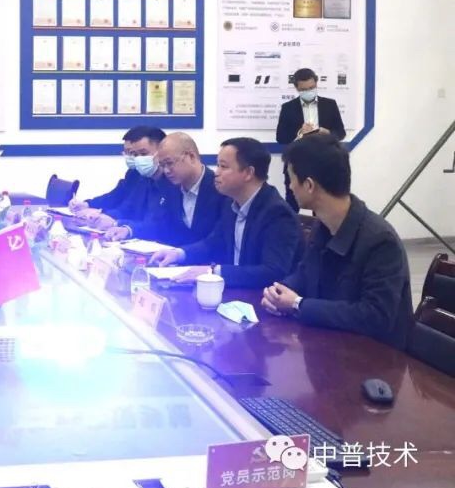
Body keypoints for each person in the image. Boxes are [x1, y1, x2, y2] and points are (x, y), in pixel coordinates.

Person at [261, 134, 413, 349]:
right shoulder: (323, 227)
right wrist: (279, 292)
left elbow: (375, 316)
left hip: (374, 357)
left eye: (291, 178)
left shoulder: (380, 241)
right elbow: (305, 273)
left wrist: (297, 304)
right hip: (328, 346)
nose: (290, 187)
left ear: (309, 185)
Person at [149, 138, 302, 288]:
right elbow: (214, 243)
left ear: (248, 173)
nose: (216, 173)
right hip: (233, 290)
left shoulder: (276, 212)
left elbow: (272, 272)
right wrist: (179, 254)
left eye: (223, 166)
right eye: (217, 166)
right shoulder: (232, 203)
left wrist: (214, 272)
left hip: (260, 296)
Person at [107, 132, 221, 246]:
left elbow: (217, 240)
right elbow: (159, 224)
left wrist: (182, 253)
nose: (166, 171)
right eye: (162, 165)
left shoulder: (219, 189)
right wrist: (128, 230)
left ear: (191, 157)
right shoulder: (170, 186)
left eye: (169, 163)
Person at [275, 68, 346, 211]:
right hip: (296, 162)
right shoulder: (288, 108)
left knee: (323, 202)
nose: (308, 91)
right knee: (292, 204)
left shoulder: (330, 105)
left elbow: (340, 132)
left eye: (311, 88)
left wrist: (328, 133)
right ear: (297, 88)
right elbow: (280, 137)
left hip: (324, 161)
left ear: (316, 84)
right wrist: (299, 133)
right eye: (304, 89)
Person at [69, 126, 167, 229]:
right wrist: (94, 210)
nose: (137, 159)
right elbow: (124, 204)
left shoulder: (172, 180)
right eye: (133, 154)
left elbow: (158, 224)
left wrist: (118, 224)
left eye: (143, 153)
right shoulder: (138, 174)